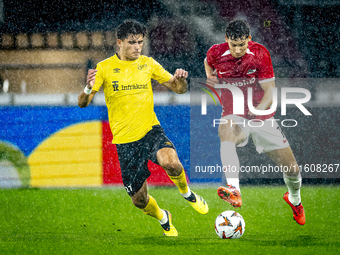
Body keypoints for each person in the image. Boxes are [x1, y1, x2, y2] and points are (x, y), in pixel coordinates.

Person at [78, 19, 209, 236]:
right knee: (139, 200)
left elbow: (179, 89)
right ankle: (163, 216)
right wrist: (87, 87)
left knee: (172, 164)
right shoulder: (104, 68)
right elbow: (83, 103)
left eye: (140, 42)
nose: (137, 47)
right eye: (132, 42)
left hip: (150, 130)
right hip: (125, 142)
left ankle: (187, 194)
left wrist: (181, 80)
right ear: (119, 42)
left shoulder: (148, 63)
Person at [204, 19, 305, 225]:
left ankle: (294, 199)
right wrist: (209, 76)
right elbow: (208, 61)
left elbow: (270, 91)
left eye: (242, 45)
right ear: (226, 40)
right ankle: (234, 189)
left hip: (261, 116)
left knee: (293, 170)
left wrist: (255, 111)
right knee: (226, 131)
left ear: (249, 39)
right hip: (233, 113)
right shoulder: (216, 52)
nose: (238, 49)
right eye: (234, 45)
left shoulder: (260, 53)